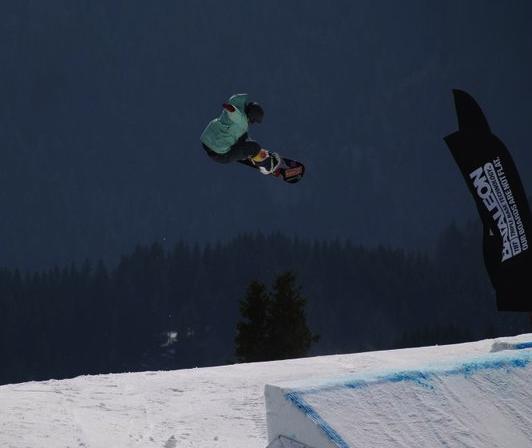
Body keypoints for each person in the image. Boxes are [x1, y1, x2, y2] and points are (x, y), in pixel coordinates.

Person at [200, 93, 280, 174]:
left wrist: (231, 107)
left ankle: (255, 153)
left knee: (244, 136)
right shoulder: (241, 119)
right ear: (251, 116)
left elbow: (235, 103)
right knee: (254, 147)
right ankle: (269, 165)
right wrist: (231, 109)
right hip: (220, 155)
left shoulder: (236, 104)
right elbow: (235, 114)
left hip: (208, 141)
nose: (251, 123)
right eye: (253, 121)